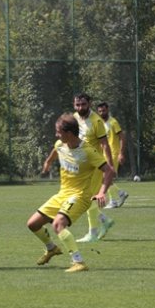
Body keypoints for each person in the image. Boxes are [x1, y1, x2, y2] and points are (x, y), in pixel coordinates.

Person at [27, 114, 115, 272]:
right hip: (62, 194)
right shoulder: (60, 143)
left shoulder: (87, 151)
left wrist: (102, 192)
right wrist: (48, 162)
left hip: (80, 196)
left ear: (69, 133)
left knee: (58, 224)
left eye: (58, 132)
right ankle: (51, 248)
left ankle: (79, 262)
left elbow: (109, 170)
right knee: (33, 224)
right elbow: (56, 150)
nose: (56, 135)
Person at [72, 94, 115, 242]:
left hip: (95, 165)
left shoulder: (96, 121)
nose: (80, 108)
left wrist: (109, 165)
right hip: (81, 165)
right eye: (77, 105)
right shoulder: (74, 118)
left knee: (87, 197)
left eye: (83, 104)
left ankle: (93, 232)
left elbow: (104, 144)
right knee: (83, 197)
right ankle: (104, 220)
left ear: (89, 103)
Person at [97, 102, 129, 209]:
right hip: (104, 154)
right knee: (104, 178)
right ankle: (120, 193)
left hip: (113, 153)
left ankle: (114, 200)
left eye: (104, 111)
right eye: (100, 111)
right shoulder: (99, 123)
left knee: (106, 177)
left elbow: (122, 138)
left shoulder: (113, 122)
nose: (102, 113)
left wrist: (121, 153)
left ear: (108, 110)